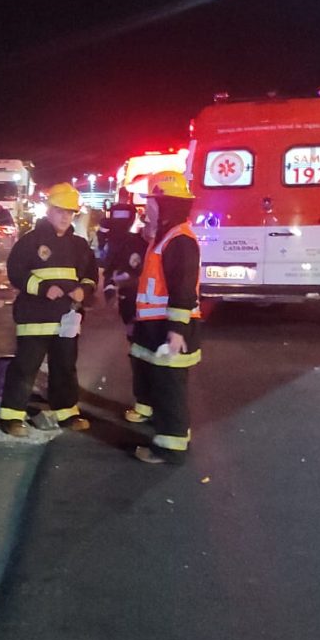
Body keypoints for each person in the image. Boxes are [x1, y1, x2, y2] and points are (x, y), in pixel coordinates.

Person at [0, 182, 98, 435]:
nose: (65, 216)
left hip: (66, 319)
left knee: (65, 367)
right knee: (25, 367)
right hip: (34, 317)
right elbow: (16, 273)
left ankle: (66, 412)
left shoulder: (79, 245)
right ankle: (11, 417)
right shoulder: (30, 241)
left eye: (70, 212)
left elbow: (90, 275)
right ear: (49, 210)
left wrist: (83, 290)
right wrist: (43, 289)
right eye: (60, 210)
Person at [127, 171, 201, 464]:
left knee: (170, 387)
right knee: (160, 383)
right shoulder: (167, 236)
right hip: (156, 325)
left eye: (154, 203)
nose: (149, 209)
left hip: (170, 328)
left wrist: (176, 330)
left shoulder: (179, 239)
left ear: (167, 205)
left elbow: (183, 287)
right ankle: (169, 430)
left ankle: (170, 445)